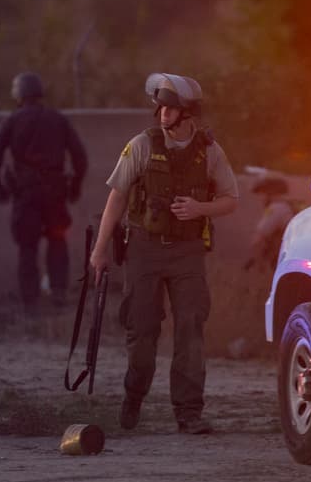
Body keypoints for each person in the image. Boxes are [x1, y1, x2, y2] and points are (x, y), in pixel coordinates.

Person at [90, 72, 238, 435]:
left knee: (190, 329)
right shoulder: (141, 145)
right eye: (160, 107)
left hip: (188, 252)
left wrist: (200, 209)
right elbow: (117, 196)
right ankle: (134, 397)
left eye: (170, 108)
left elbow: (231, 200)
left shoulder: (210, 151)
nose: (161, 114)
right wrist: (99, 251)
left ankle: (188, 413)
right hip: (144, 249)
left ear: (188, 112)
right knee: (142, 330)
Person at [0, 72, 88, 314]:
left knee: (27, 246)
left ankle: (30, 301)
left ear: (18, 94)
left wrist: (0, 189)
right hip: (54, 193)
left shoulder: (13, 120)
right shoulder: (57, 119)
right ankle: (59, 292)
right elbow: (80, 157)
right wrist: (75, 187)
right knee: (57, 239)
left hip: (26, 194)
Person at [245, 176, 297, 271]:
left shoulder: (276, 208)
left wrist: (260, 268)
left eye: (262, 193)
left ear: (270, 193)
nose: (260, 198)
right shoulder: (289, 207)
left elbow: (257, 241)